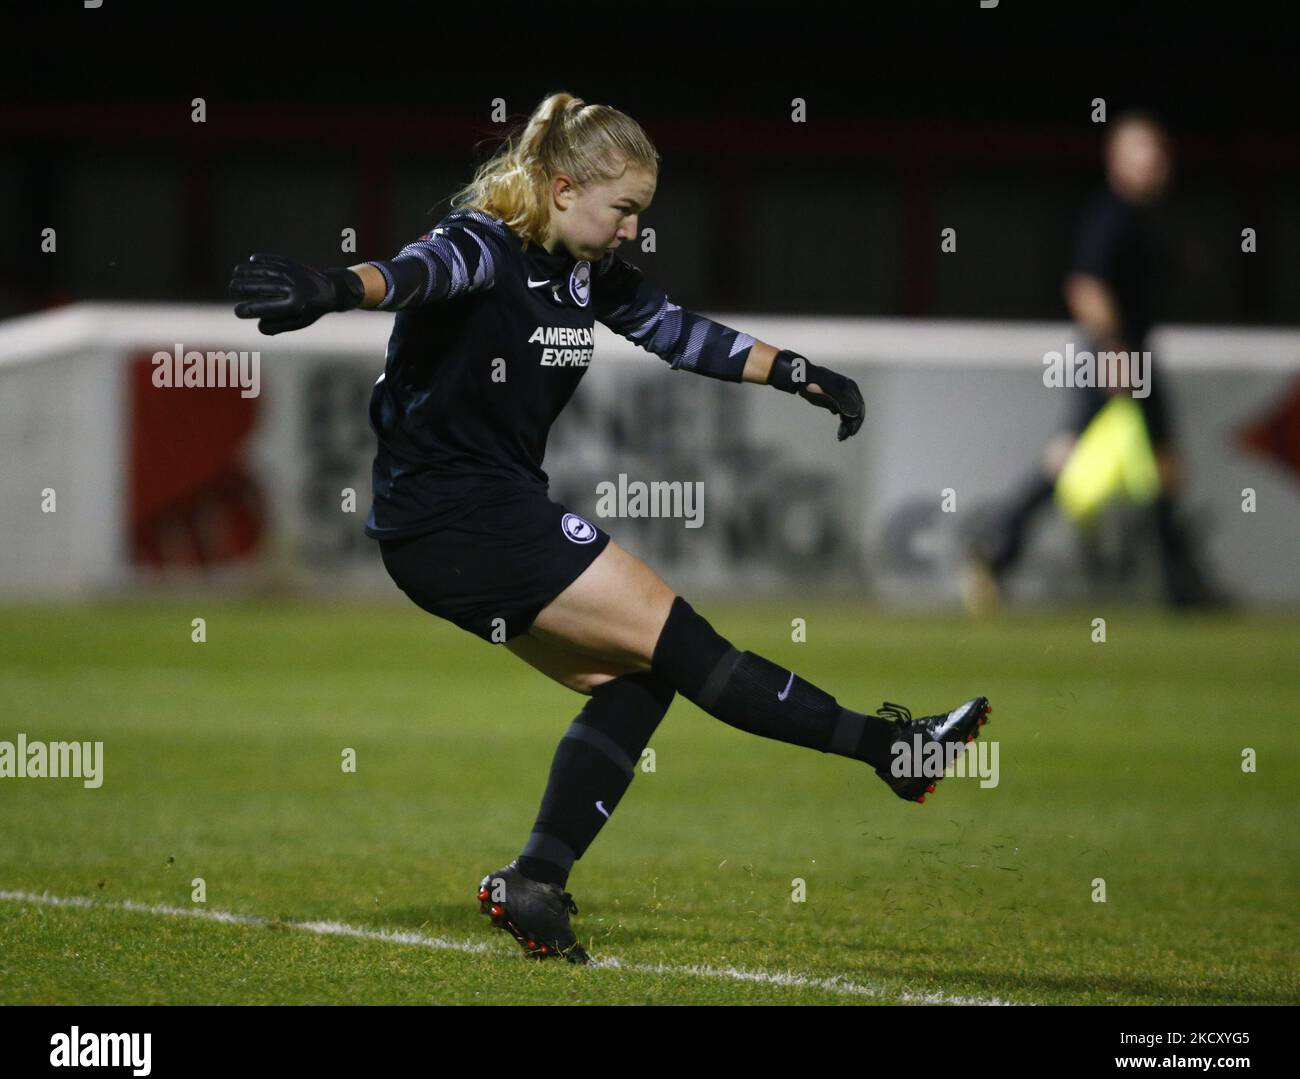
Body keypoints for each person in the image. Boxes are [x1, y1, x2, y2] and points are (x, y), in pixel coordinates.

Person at [229, 92, 991, 965]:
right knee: (688, 647)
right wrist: (329, 288)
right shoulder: (484, 246)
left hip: (462, 524)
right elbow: (408, 275)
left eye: (641, 213)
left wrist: (796, 372)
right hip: (462, 518)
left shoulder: (586, 274)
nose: (634, 229)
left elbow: (678, 334)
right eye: (623, 209)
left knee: (637, 680)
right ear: (560, 189)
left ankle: (535, 882)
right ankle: (893, 750)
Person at [964, 111, 1222, 612]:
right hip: (1113, 356)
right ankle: (997, 545)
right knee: (1076, 457)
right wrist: (1115, 351)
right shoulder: (1114, 213)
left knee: (1161, 465)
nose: (1156, 162)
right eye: (1144, 152)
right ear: (1117, 158)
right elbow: (1085, 286)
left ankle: (1181, 586)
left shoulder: (1143, 216)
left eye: (1159, 152)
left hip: (1130, 354)